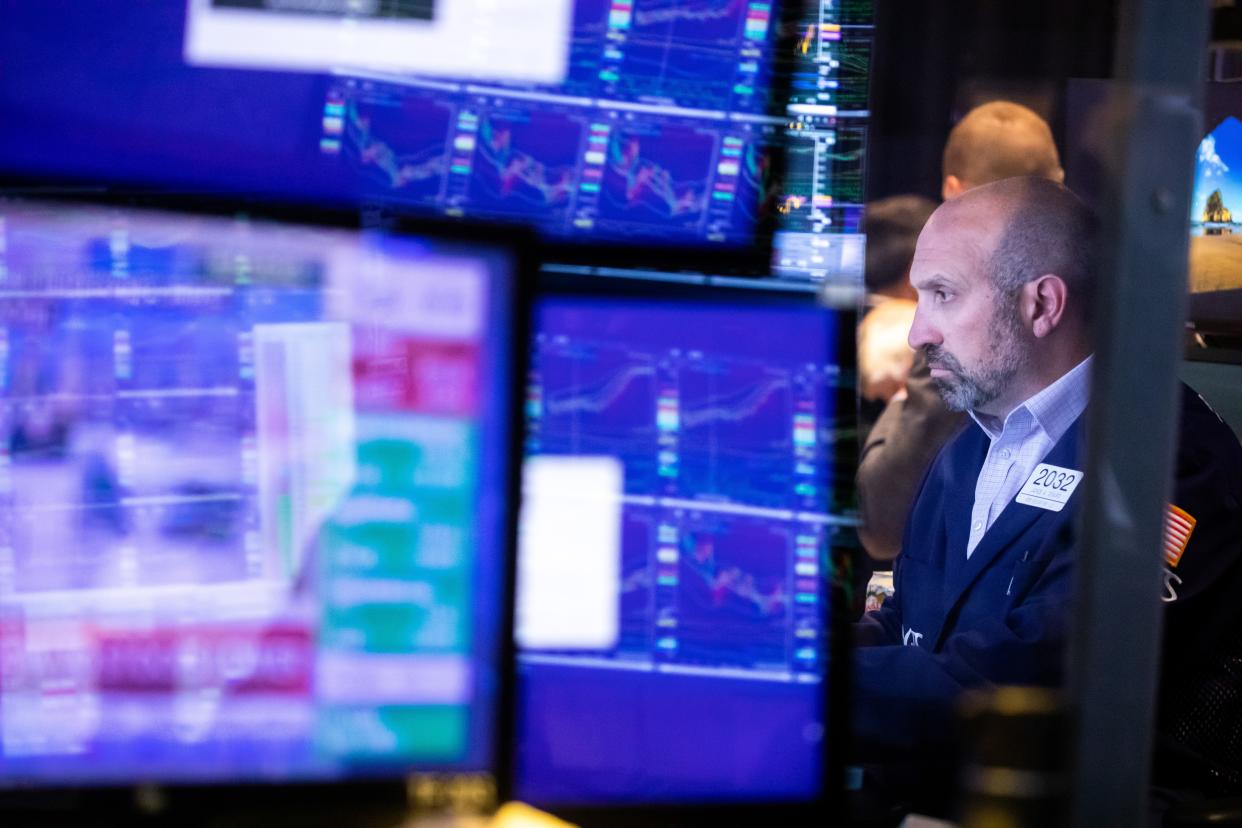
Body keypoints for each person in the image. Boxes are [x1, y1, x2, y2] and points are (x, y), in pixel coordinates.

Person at [852, 176, 1242, 808]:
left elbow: (1022, 684)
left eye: (943, 295)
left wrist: (800, 691)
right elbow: (912, 620)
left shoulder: (1167, 464)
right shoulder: (977, 436)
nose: (918, 332)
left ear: (1042, 305)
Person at [856, 101, 1066, 564]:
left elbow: (882, 520)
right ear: (1060, 182)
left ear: (953, 192)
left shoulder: (963, 326)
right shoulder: (1107, 291)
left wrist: (898, 391)